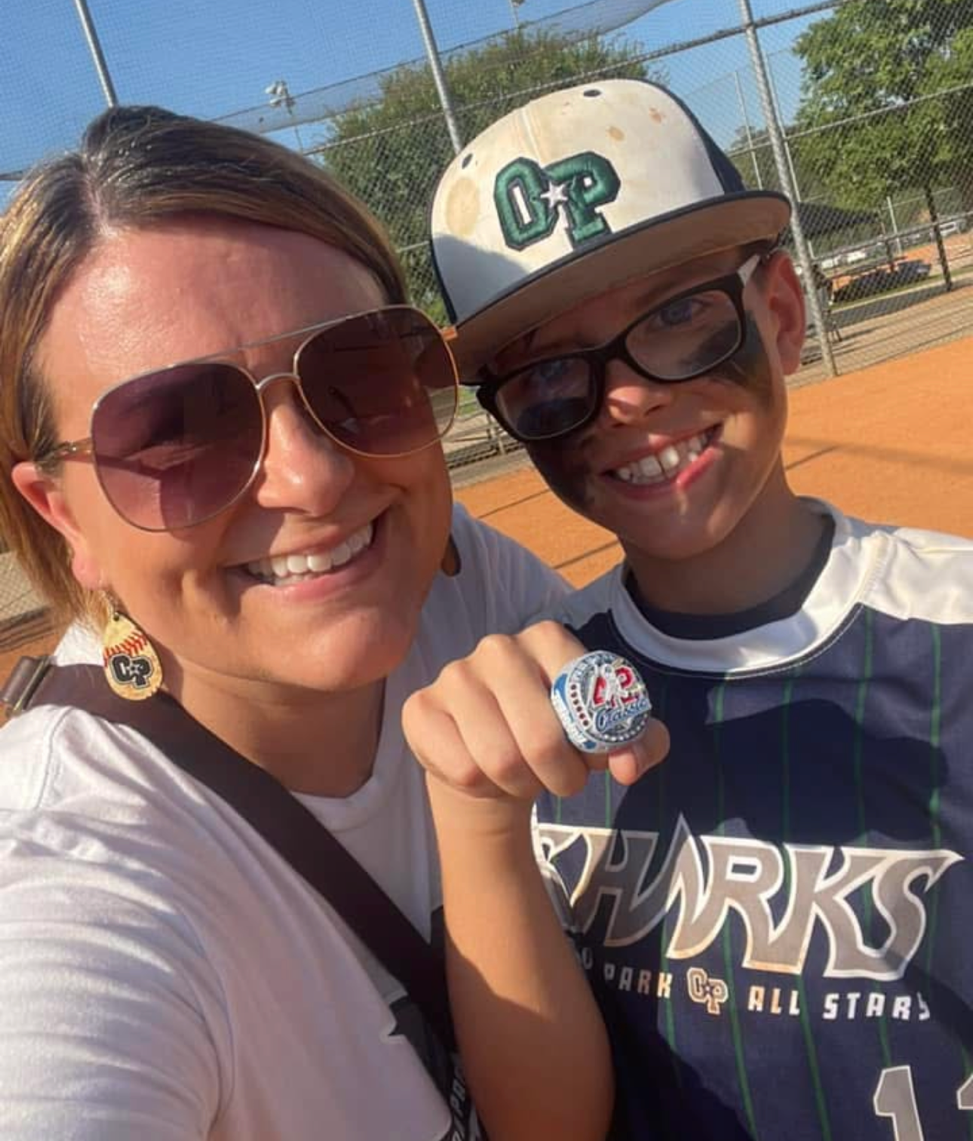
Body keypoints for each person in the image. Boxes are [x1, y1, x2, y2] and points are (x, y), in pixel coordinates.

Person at [0, 104, 661, 1141]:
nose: (314, 478)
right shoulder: (66, 878)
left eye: (359, 373)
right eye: (174, 430)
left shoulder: (452, 576)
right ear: (61, 514)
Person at [405, 78, 973, 1140]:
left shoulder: (958, 635)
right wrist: (478, 819)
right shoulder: (524, 714)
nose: (623, 397)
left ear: (781, 312)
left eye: (676, 315)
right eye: (547, 374)